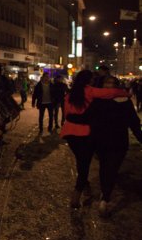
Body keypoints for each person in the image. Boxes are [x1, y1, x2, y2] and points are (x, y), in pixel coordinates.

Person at [67, 76, 142, 217]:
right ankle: (105, 198)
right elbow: (134, 123)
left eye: (110, 83)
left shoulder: (98, 101)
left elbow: (85, 117)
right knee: (112, 169)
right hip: (117, 141)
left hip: (102, 140)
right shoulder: (124, 101)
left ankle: (104, 195)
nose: (109, 86)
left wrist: (71, 121)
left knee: (105, 167)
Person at [59, 70, 129, 209]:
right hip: (84, 132)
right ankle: (76, 196)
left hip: (69, 132)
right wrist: (126, 94)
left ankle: (85, 186)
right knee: (84, 164)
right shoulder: (90, 91)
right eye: (92, 79)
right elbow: (110, 93)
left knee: (81, 161)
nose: (93, 80)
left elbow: (66, 113)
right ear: (88, 80)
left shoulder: (70, 93)